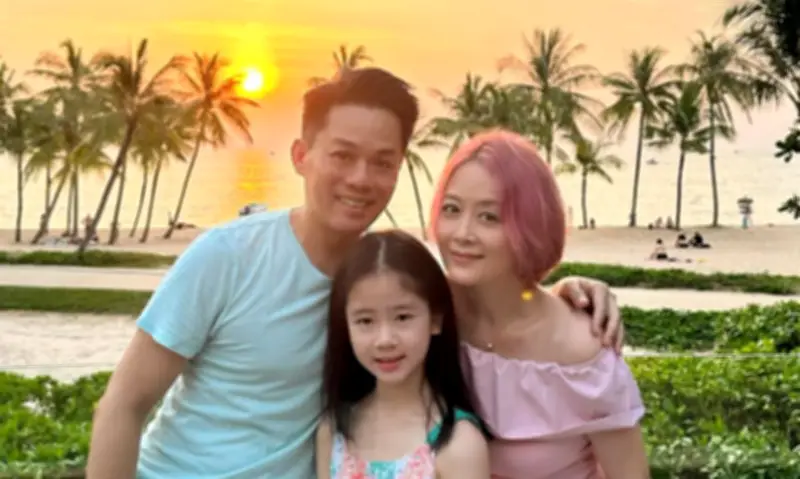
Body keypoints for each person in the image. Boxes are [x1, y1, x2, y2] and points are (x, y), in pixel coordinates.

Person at [86, 68, 622, 479]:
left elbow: (495, 300)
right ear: (301, 156)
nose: (361, 179)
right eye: (342, 156)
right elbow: (123, 405)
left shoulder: (388, 281)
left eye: (382, 162)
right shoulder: (228, 256)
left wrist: (567, 292)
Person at [429, 130, 649, 478]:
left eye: (489, 217)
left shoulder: (581, 354)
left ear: (530, 226)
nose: (462, 233)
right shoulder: (426, 314)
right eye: (451, 209)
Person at [316, 230, 490, 478]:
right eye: (365, 321)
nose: (385, 340)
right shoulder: (333, 431)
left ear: (435, 319)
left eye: (402, 317)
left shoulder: (458, 445)